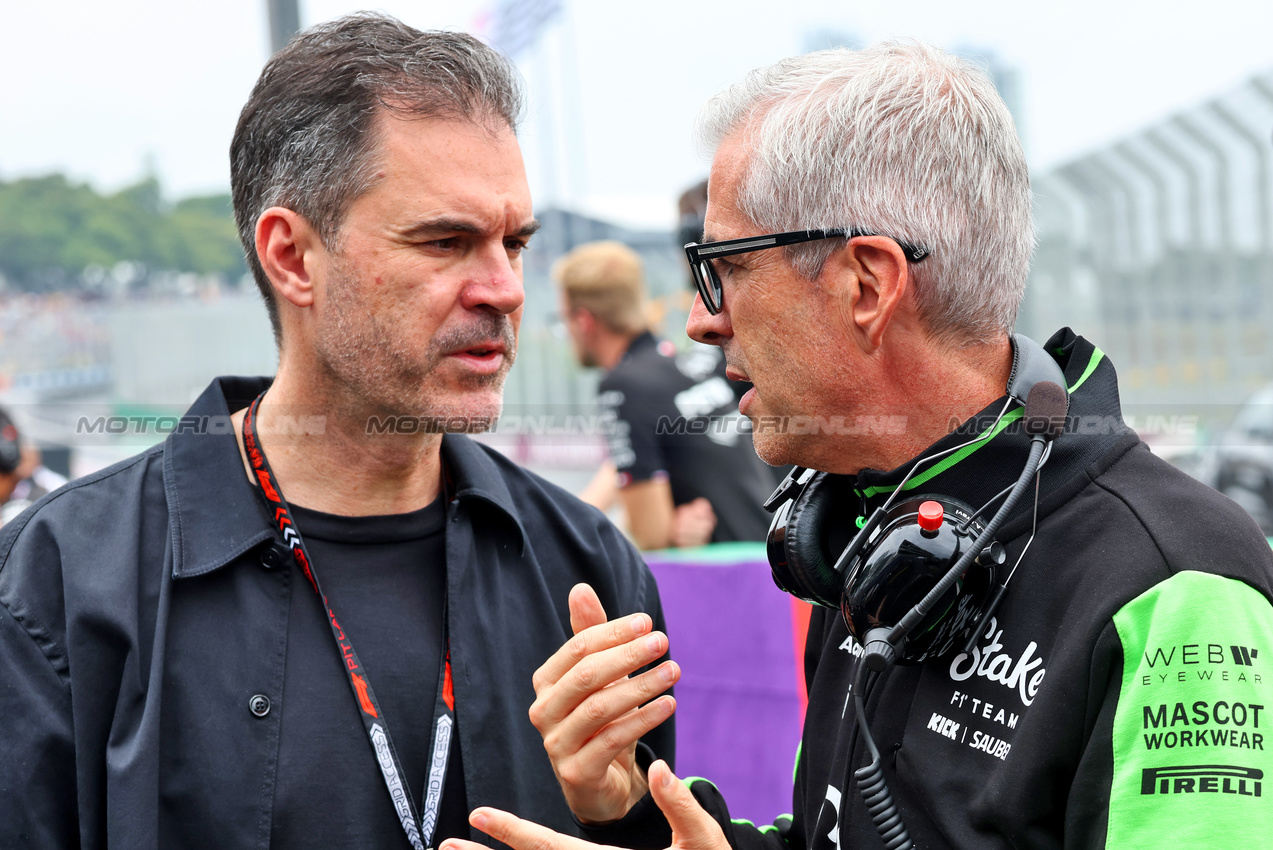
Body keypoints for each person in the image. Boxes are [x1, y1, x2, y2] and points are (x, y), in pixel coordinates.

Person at [439, 41, 1273, 850]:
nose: (700, 318)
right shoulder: (873, 529)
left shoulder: (1175, 584)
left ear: (865, 284)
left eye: (720, 267)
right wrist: (637, 814)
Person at [0, 14, 674, 849]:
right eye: (446, 241)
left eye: (514, 242)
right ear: (291, 258)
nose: (503, 289)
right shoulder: (59, 585)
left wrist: (621, 817)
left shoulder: (587, 567)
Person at [555, 240, 775, 549]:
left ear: (584, 322)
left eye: (563, 321)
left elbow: (651, 536)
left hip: (735, 572)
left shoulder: (622, 386)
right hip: (770, 554)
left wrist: (665, 530)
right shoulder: (671, 363)